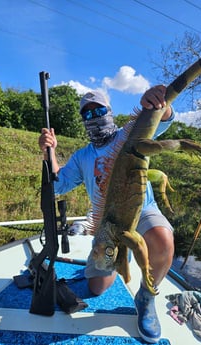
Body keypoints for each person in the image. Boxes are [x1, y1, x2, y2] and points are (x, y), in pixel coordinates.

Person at [38, 85, 175, 344]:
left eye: (99, 110)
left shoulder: (131, 135)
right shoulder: (82, 157)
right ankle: (119, 260)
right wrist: (50, 151)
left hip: (141, 210)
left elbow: (163, 119)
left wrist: (160, 102)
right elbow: (58, 184)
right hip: (109, 223)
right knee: (97, 287)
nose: (94, 117)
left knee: (162, 239)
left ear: (110, 112)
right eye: (87, 114)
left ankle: (146, 298)